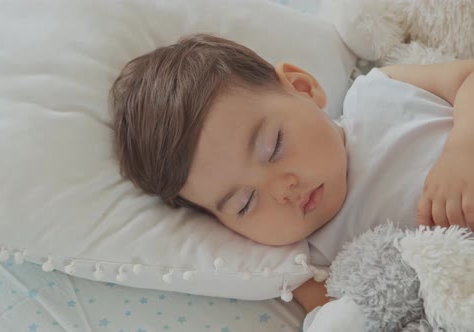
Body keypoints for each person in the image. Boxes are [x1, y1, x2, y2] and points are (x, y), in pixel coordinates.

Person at [109, 33, 474, 313]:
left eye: (274, 147)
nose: (282, 189)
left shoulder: (380, 94)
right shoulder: (310, 260)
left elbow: (467, 77)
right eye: (245, 203)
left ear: (302, 87)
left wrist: (461, 150)